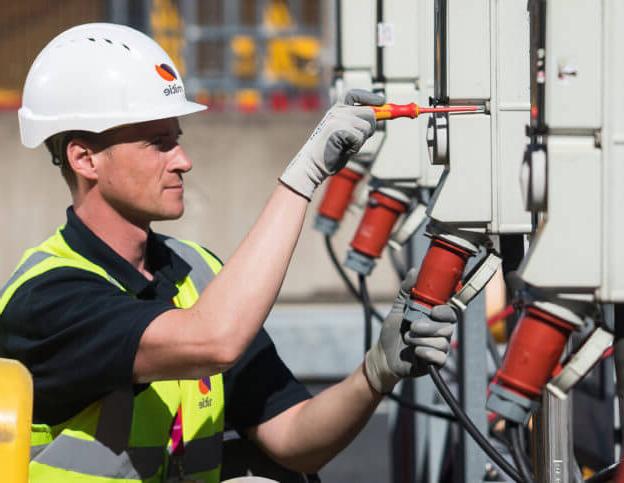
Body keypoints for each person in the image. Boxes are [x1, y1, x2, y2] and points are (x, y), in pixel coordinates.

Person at [0, 23, 457, 482]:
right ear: (85, 159)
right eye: (158, 143)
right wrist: (306, 174)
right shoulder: (48, 296)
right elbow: (213, 340)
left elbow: (294, 439)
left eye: (176, 139)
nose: (182, 160)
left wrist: (376, 372)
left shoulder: (196, 274)